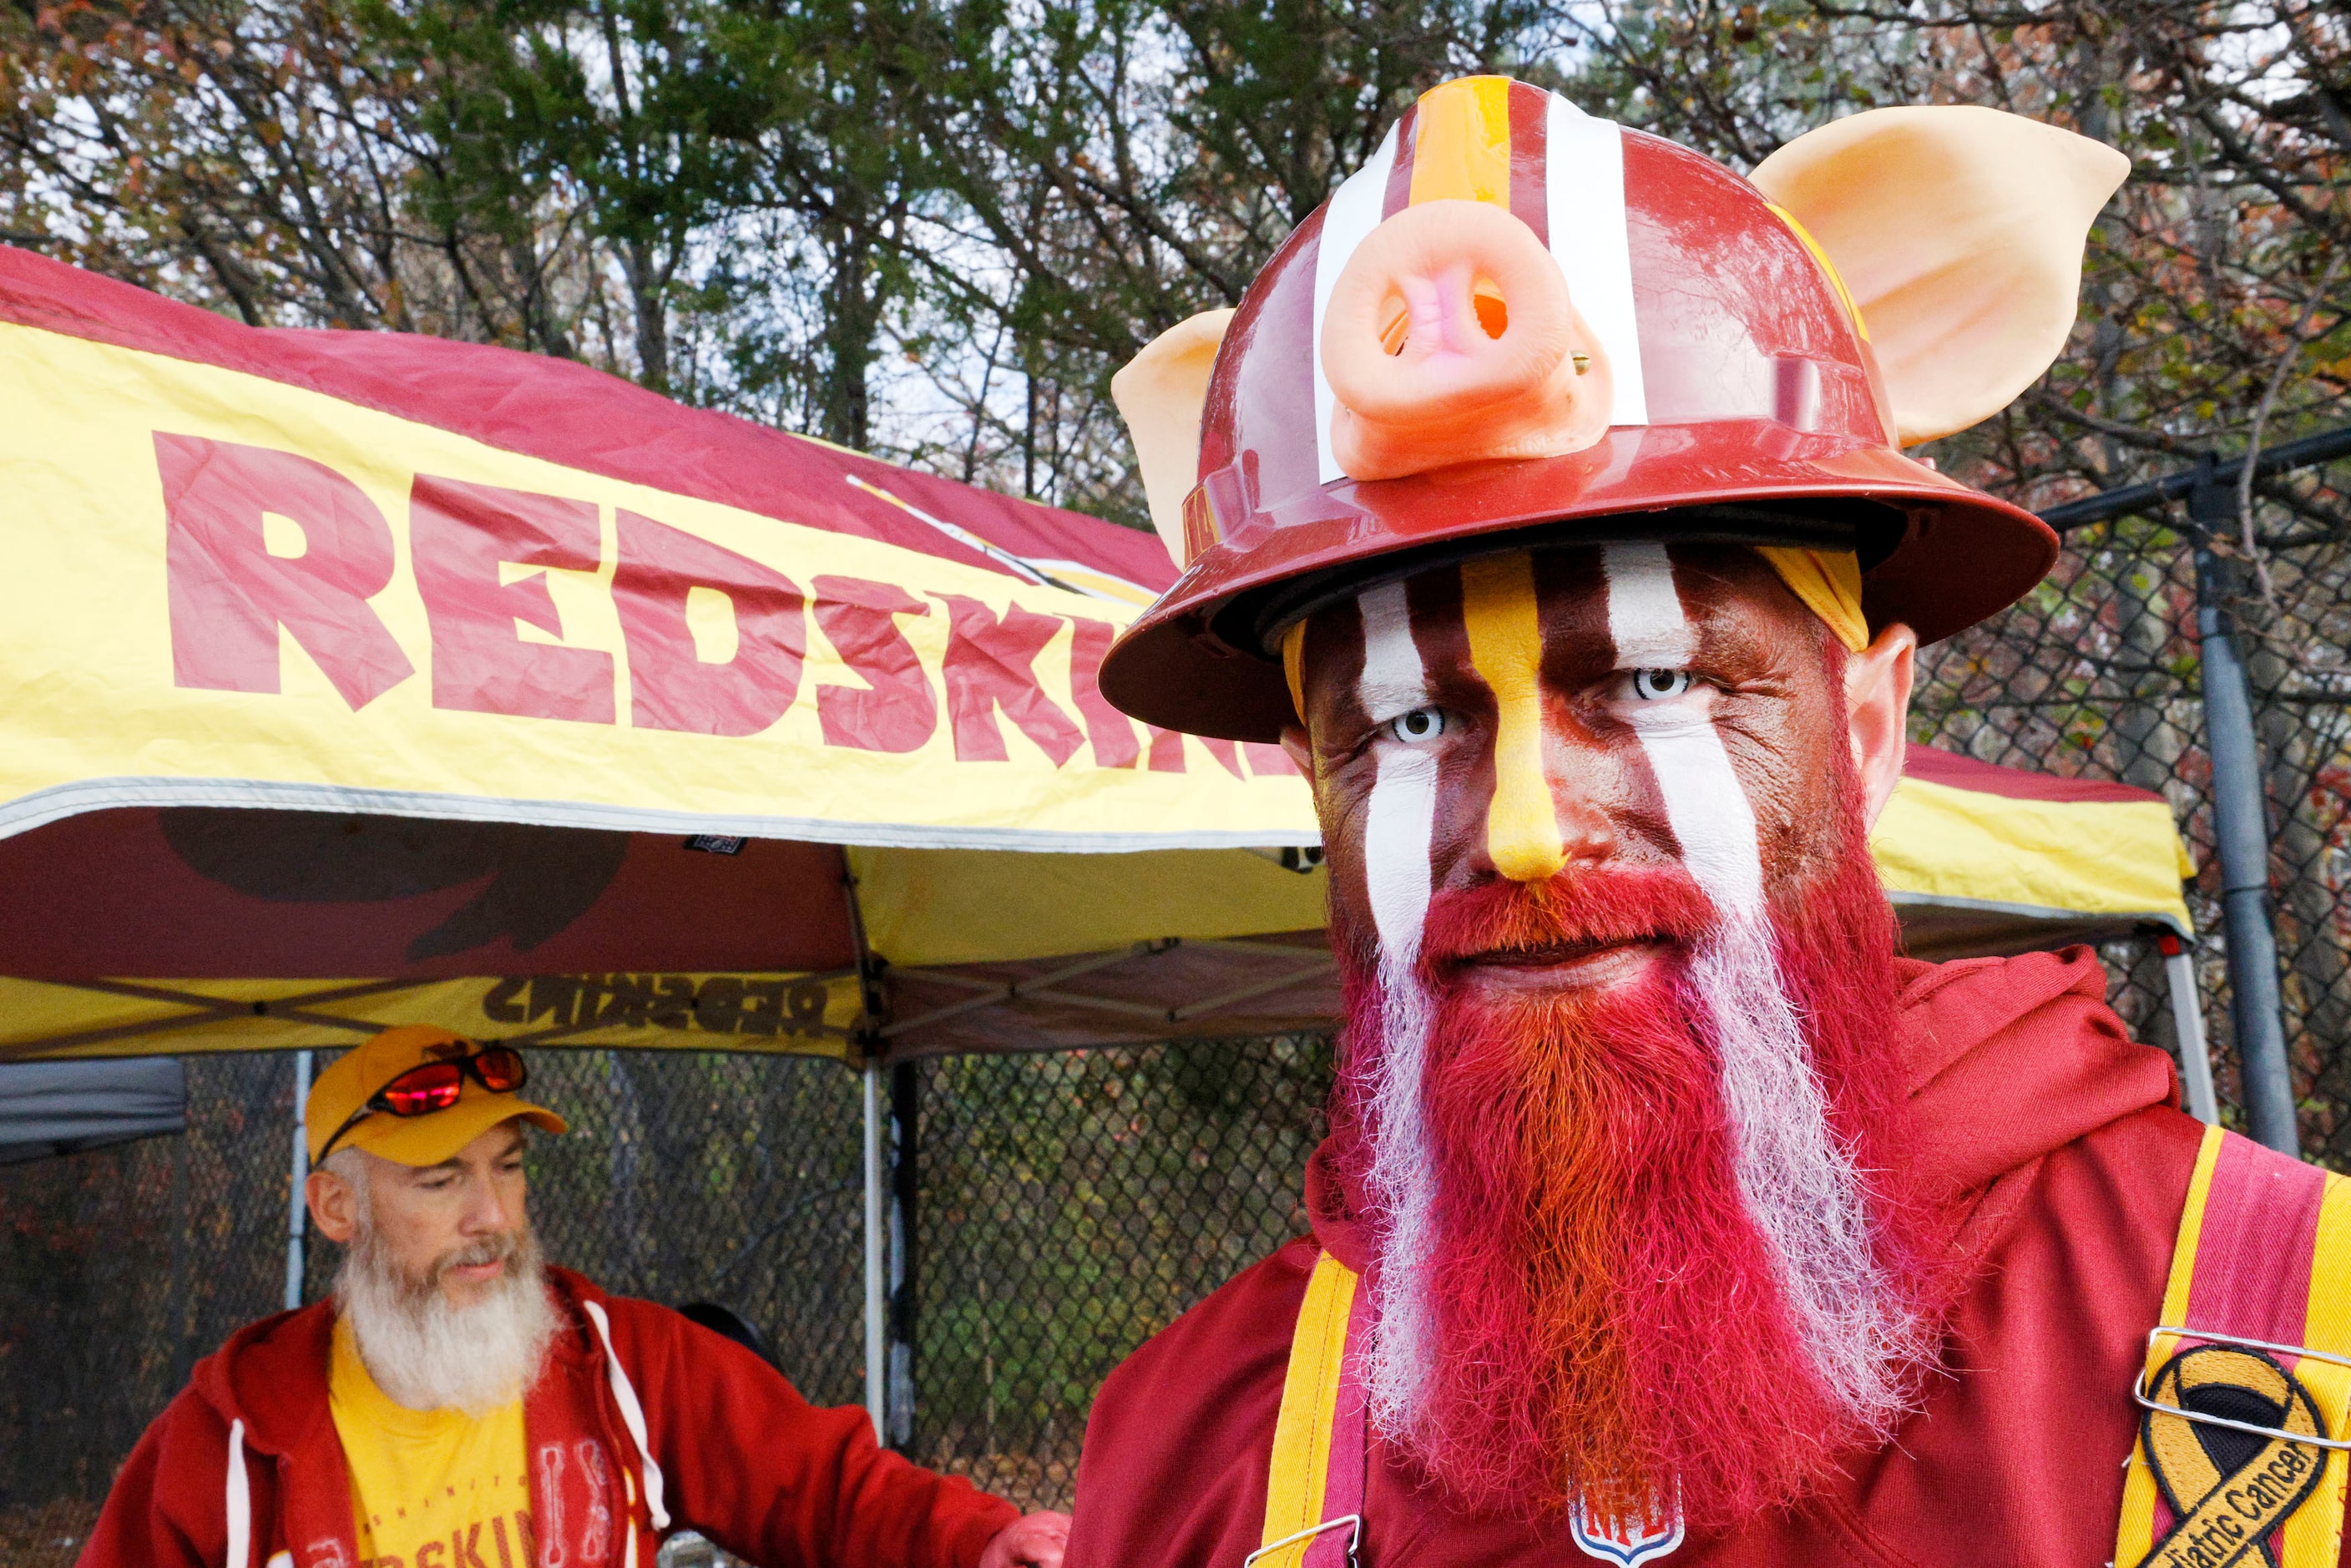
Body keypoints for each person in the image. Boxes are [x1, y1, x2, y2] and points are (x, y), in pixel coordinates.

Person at [1074, 75, 2351, 1568]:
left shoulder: (2298, 1315)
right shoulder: (1195, 1451)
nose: (1534, 831)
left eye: (1656, 676)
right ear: (1316, 782)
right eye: (1414, 720)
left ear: (1865, 729)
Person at [82, 1024, 1071, 1568]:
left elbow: (826, 1483)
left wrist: (983, 1540)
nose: (493, 1217)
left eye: (507, 1169)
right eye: (441, 1181)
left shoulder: (623, 1360)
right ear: (337, 1209)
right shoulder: (229, 1440)